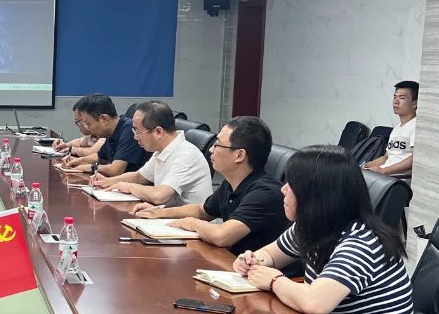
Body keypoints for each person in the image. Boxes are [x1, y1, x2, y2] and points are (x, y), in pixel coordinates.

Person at [234, 145, 415, 314]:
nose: (283, 189)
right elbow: (272, 255)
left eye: (292, 184)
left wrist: (274, 280)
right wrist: (252, 260)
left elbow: (314, 302)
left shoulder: (361, 242)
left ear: (316, 195)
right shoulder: (313, 226)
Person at [131, 116, 287, 255]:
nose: (211, 150)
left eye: (217, 145)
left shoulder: (265, 193)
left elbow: (222, 236)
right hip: (234, 263)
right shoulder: (231, 183)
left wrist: (191, 223)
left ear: (239, 155)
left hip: (263, 273)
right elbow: (202, 210)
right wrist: (159, 212)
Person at [94, 100, 212, 207]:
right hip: (167, 215)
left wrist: (128, 186)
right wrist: (107, 182)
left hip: (190, 222)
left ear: (158, 132)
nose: (135, 137)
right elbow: (139, 177)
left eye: (138, 132)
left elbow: (159, 196)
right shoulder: (162, 149)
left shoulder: (186, 155)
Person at [59, 93, 148, 178]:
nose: (88, 129)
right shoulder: (110, 132)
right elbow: (100, 157)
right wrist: (78, 161)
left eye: (89, 124)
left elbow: (115, 170)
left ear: (104, 119)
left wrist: (90, 167)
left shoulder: (129, 129)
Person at [364, 80, 418, 177]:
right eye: (395, 97)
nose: (396, 101)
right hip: (385, 175)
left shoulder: (416, 126)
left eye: (402, 98)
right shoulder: (397, 128)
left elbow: (416, 158)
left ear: (415, 103)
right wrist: (366, 165)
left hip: (397, 179)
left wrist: (384, 171)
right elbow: (386, 157)